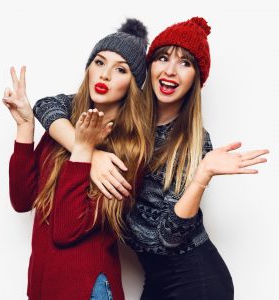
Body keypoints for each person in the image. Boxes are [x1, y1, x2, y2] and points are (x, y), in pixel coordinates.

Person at [32, 17, 269, 299]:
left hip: (196, 280)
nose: (170, 71)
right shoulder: (122, 113)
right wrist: (91, 155)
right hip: (154, 278)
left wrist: (201, 177)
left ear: (196, 78)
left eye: (185, 63)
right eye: (163, 58)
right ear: (148, 66)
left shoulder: (193, 142)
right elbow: (47, 106)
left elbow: (166, 237)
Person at [3, 18, 151, 300]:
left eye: (120, 69)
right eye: (99, 62)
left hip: (88, 290)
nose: (105, 75)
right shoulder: (64, 129)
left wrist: (84, 152)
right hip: (45, 287)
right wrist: (25, 128)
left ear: (132, 84)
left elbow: (66, 231)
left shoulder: (130, 152)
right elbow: (22, 201)